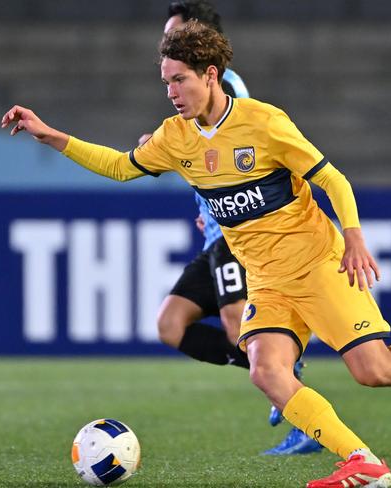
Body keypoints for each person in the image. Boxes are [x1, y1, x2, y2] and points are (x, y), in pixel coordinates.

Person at [1, 21, 391, 488]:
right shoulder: (174, 138)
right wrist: (47, 134)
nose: (170, 92)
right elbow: (120, 166)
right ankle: (364, 463)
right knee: (266, 370)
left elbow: (332, 178)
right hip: (268, 280)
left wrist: (354, 237)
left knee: (375, 371)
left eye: (178, 79)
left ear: (210, 75)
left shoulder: (265, 124)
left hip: (318, 264)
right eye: (165, 81)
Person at [142, 0, 319, 456]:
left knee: (236, 322)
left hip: (238, 233)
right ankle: (284, 374)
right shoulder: (189, 96)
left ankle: (295, 398)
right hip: (214, 231)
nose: (165, 43)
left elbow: (238, 157)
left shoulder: (228, 93)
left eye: (173, 34)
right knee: (170, 325)